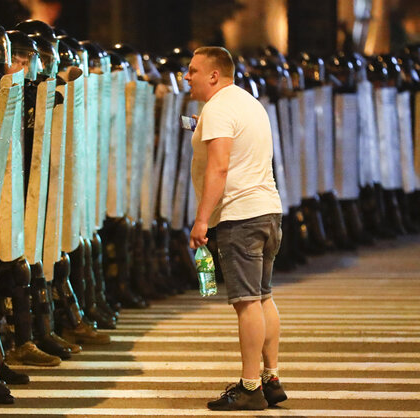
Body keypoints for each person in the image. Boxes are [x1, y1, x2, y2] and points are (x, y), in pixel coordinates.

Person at [184, 46, 286, 411]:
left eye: (193, 70)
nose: (186, 76)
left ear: (214, 75)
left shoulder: (219, 108)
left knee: (246, 305)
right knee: (263, 297)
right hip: (269, 212)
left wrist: (201, 220)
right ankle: (271, 377)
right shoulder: (248, 102)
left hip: (239, 217)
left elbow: (220, 168)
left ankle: (250, 386)